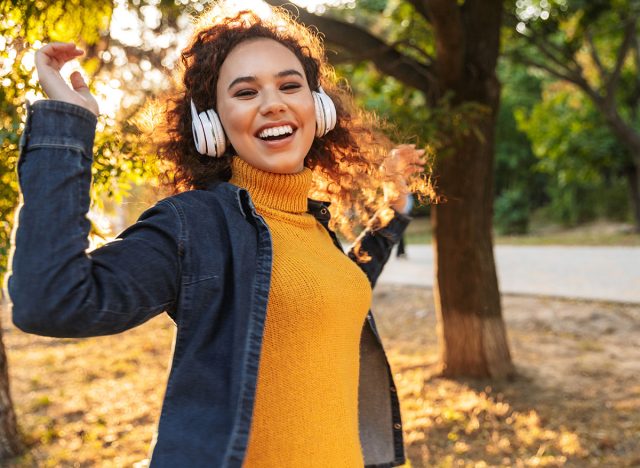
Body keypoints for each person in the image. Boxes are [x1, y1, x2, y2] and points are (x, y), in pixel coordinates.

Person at [6, 3, 431, 467]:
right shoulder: (197, 225)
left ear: (319, 106)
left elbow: (331, 294)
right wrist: (66, 124)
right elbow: (52, 300)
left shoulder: (310, 222)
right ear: (211, 122)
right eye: (246, 92)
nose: (274, 103)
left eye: (291, 85)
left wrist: (394, 213)